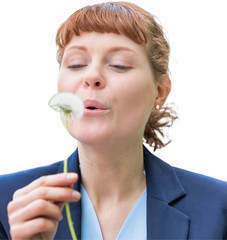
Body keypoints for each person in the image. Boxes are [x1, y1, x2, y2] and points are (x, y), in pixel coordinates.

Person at [0, 1, 227, 239]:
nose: (92, 77)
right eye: (76, 64)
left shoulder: (218, 209)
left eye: (119, 65)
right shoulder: (7, 203)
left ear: (160, 91)